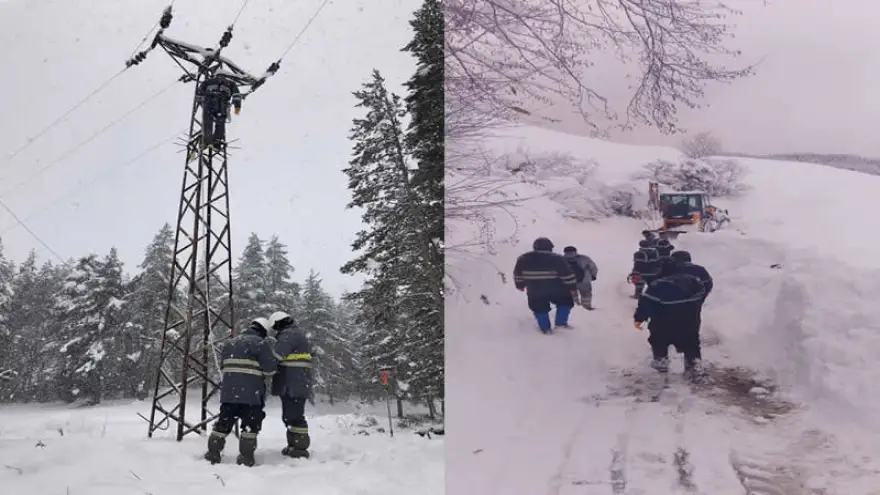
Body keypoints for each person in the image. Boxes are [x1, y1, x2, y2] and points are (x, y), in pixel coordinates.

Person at [204, 317, 275, 466]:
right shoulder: (261, 344)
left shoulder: (230, 343)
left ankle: (213, 454)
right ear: (263, 331)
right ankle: (246, 458)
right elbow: (270, 369)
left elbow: (224, 365)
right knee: (250, 426)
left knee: (223, 424)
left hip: (229, 394)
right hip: (251, 395)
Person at [633, 263, 707, 381]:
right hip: (690, 322)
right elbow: (703, 293)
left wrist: (639, 318)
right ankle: (694, 363)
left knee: (659, 340)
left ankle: (661, 360)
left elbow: (646, 303)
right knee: (691, 342)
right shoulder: (694, 282)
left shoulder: (657, 285)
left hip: (663, 323)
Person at [267, 310, 314, 459]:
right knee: (290, 416)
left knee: (294, 416)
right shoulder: (295, 333)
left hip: (293, 383)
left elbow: (276, 356)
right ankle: (294, 445)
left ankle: (300, 449)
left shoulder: (289, 335)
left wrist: (264, 365)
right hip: (295, 382)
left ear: (279, 323)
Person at [513, 237, 578, 333]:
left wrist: (520, 285)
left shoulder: (523, 258)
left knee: (539, 308)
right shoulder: (557, 258)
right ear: (550, 247)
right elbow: (567, 275)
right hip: (557, 289)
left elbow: (518, 274)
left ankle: (545, 328)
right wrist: (572, 287)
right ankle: (561, 323)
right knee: (565, 303)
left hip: (535, 290)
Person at [198, 74, 243, 149]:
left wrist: (201, 101)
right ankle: (217, 142)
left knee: (207, 121)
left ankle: (207, 140)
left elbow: (199, 92)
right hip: (222, 104)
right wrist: (237, 106)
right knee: (220, 122)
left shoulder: (208, 81)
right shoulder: (231, 83)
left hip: (209, 103)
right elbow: (236, 95)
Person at [562, 246, 598, 310]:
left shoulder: (561, 259)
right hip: (584, 280)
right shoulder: (584, 258)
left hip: (568, 281)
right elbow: (593, 267)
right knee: (586, 294)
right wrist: (593, 276)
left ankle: (576, 307)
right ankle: (586, 306)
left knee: (572, 294)